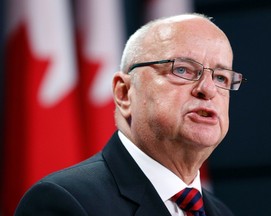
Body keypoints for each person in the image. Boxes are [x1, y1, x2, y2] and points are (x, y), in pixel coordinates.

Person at [15, 13, 246, 216]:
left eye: (220, 77)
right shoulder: (64, 202)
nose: (208, 89)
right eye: (182, 69)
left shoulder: (219, 211)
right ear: (124, 93)